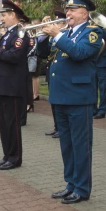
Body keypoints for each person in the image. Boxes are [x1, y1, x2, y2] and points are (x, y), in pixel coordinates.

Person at [42, 0, 102, 204]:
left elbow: (79, 53)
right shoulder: (64, 33)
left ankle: (82, 188)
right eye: (67, 9)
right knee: (66, 145)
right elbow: (44, 56)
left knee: (81, 145)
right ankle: (71, 184)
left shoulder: (92, 33)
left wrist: (57, 34)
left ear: (85, 13)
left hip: (79, 97)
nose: (68, 12)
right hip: (60, 96)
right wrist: (43, 36)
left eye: (73, 9)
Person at [0, 0, 30, 170]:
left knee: (12, 124)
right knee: (4, 124)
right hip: (3, 85)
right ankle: (7, 155)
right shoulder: (7, 34)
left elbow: (15, 56)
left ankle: (15, 158)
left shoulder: (20, 33)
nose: (1, 18)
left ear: (13, 15)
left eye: (4, 15)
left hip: (13, 86)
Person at [43, 10, 66, 139]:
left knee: (59, 102)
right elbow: (44, 52)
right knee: (53, 100)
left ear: (63, 23)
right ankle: (56, 126)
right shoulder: (53, 36)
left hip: (60, 72)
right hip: (51, 69)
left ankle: (61, 128)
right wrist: (43, 35)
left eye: (57, 22)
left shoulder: (65, 34)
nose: (54, 24)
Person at [93, 28, 106, 119]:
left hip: (102, 64)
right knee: (92, 87)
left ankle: (102, 110)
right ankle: (93, 109)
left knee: (103, 88)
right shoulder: (90, 32)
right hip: (92, 63)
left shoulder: (105, 32)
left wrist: (97, 27)